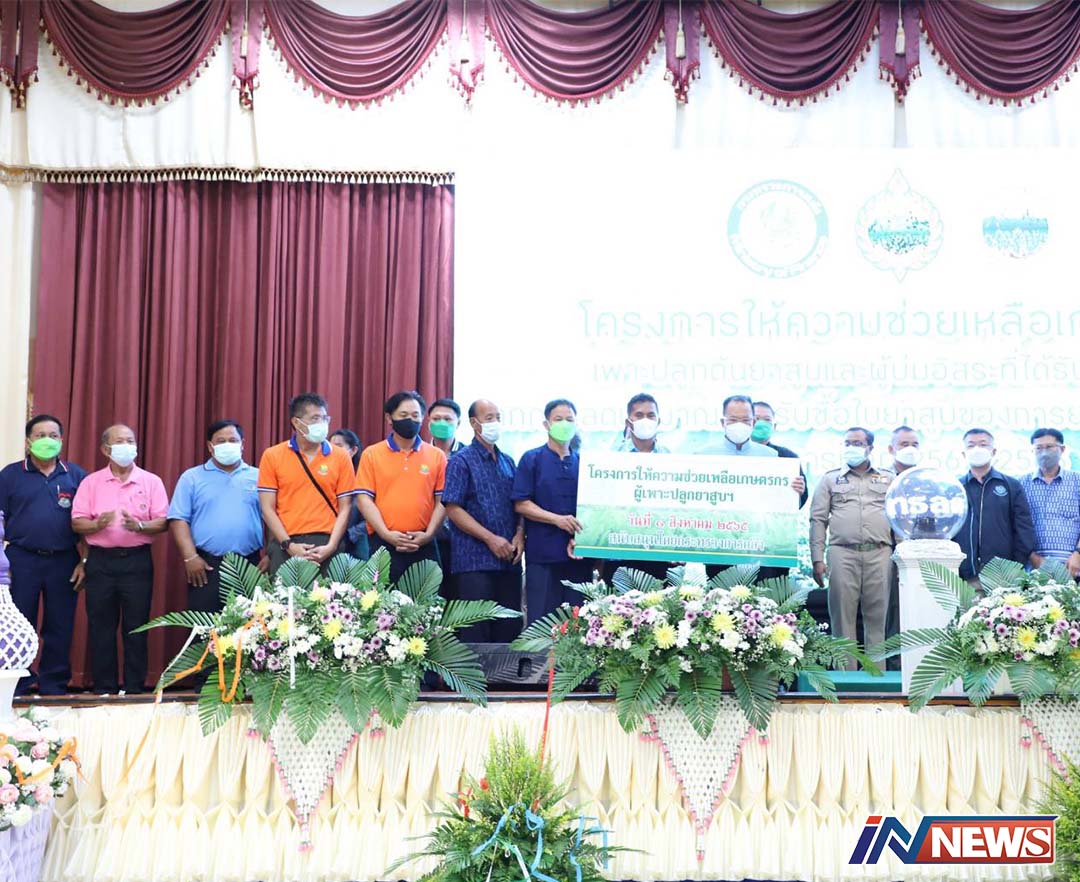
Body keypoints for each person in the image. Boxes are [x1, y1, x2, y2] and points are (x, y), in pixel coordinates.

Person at [71, 424, 169, 694]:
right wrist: (96, 525)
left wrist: (139, 526)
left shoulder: (151, 481)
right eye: (120, 441)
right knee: (101, 626)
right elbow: (77, 522)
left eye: (130, 441)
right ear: (106, 449)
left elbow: (163, 521)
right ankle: (104, 687)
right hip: (100, 562)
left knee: (137, 626)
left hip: (136, 562)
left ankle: (135, 688)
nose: (127, 446)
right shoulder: (91, 482)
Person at [0, 415, 88, 695]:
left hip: (64, 560)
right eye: (40, 435)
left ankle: (54, 684)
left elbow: (87, 523)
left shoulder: (76, 476)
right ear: (28, 442)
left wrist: (85, 561)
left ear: (61, 440)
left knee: (59, 624)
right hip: (20, 560)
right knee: (18, 624)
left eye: (53, 435)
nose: (47, 440)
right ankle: (18, 683)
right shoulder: (10, 475)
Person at [809, 427, 895, 667]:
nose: (851, 447)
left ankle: (876, 679)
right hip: (842, 553)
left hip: (880, 553)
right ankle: (846, 680)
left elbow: (898, 518)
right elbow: (818, 519)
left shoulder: (889, 478)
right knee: (842, 619)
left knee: (878, 620)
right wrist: (817, 559)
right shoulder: (829, 479)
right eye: (848, 443)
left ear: (870, 447)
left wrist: (901, 556)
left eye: (857, 443)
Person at [442, 399, 524, 641]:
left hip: (509, 562)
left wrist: (520, 534)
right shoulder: (461, 461)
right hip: (473, 562)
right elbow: (453, 508)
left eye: (498, 417)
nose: (495, 423)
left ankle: (505, 671)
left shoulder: (508, 461)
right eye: (489, 418)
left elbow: (519, 504)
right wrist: (490, 539)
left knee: (509, 631)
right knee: (476, 633)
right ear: (474, 423)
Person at [168, 420, 266, 619]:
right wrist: (190, 557)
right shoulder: (191, 477)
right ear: (210, 446)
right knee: (204, 629)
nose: (227, 445)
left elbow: (272, 517)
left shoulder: (259, 476)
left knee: (249, 630)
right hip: (206, 566)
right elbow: (178, 519)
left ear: (242, 444)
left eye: (233, 440)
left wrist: (270, 555)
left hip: (250, 564)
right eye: (221, 441)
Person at [512, 398, 593, 624]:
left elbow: (594, 510)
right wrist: (557, 520)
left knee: (578, 626)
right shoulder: (532, 459)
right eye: (558, 419)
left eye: (570, 419)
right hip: (543, 557)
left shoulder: (584, 463)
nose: (565, 424)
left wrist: (581, 538)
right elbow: (521, 503)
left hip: (578, 557)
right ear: (546, 424)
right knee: (542, 624)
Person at [258, 393, 356, 574]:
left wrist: (332, 546)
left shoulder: (341, 456)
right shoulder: (272, 455)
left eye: (325, 418)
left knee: (332, 594)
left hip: (328, 543)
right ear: (296, 423)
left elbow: (346, 507)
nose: (322, 424)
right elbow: (267, 508)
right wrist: (288, 545)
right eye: (315, 418)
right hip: (286, 544)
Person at [356, 391, 447, 583]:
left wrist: (429, 534)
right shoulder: (372, 454)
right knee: (381, 600)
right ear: (389, 418)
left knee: (427, 599)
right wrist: (386, 534)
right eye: (403, 415)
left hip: (424, 543)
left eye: (415, 415)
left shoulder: (437, 456)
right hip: (383, 542)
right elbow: (364, 500)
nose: (410, 420)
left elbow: (442, 501)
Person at [956, 428, 1037, 585]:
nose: (977, 449)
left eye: (983, 444)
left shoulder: (1011, 485)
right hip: (964, 575)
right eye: (971, 445)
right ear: (963, 453)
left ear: (993, 451)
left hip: (1003, 576)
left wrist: (1014, 567)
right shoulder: (955, 488)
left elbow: (1024, 529)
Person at [609, 393, 673, 582]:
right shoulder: (610, 458)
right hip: (620, 549)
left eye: (651, 415)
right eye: (639, 415)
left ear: (658, 421)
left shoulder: (672, 459)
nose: (645, 420)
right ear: (628, 422)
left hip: (659, 551)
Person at [885, 425, 922, 668]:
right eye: (904, 444)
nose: (910, 449)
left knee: (914, 610)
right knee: (889, 612)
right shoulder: (882, 478)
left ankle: (914, 664)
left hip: (919, 556)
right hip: (885, 555)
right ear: (891, 449)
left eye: (914, 444)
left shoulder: (926, 480)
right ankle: (892, 665)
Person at [1022, 428, 1080, 578]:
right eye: (1039, 448)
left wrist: (1078, 554)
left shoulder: (1077, 481)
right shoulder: (1021, 484)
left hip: (1073, 566)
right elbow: (1017, 525)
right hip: (1034, 568)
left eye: (1049, 447)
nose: (1044, 453)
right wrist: (1033, 557)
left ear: (1062, 449)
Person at [428, 398, 465, 596]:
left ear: (458, 423)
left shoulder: (468, 455)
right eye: (436, 419)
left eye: (448, 419)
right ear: (428, 422)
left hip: (462, 540)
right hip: (427, 538)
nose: (442, 423)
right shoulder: (420, 454)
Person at [751, 401, 808, 508]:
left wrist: (799, 492)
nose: (761, 423)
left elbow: (801, 500)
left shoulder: (788, 457)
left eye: (767, 420)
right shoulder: (732, 454)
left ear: (775, 426)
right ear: (747, 422)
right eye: (756, 419)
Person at [330, 429, 370, 560]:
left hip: (356, 541)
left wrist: (351, 534)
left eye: (338, 446)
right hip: (327, 539)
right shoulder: (325, 477)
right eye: (330, 446)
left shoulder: (363, 477)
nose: (333, 451)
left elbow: (375, 513)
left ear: (353, 450)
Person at [699, 395, 778, 457]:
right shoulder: (704, 455)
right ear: (723, 423)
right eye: (733, 420)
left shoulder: (769, 455)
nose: (739, 424)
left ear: (753, 423)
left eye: (745, 420)